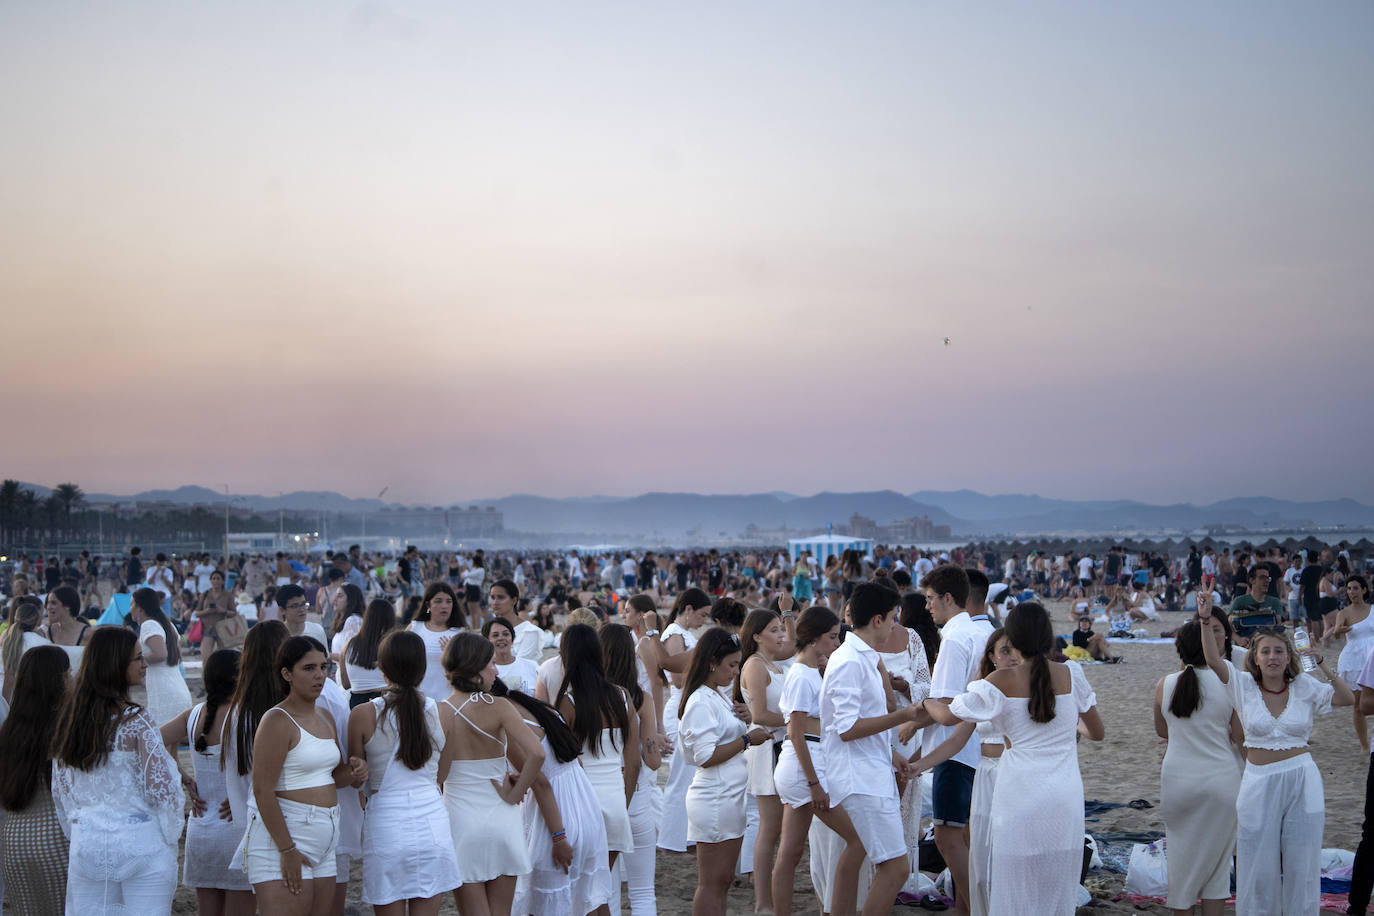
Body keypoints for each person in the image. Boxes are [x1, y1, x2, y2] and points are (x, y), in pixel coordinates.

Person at [924, 602, 1104, 915]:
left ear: (1015, 640)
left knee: (1014, 888)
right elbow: (1096, 732)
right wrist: (1065, 724)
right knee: (1055, 886)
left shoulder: (1000, 681)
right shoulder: (1072, 673)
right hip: (1065, 796)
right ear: (1048, 637)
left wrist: (925, 702)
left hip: (1019, 795)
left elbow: (946, 716)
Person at [1196, 591, 1354, 915]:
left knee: (1303, 860)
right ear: (1255, 657)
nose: (1272, 657)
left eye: (1278, 651)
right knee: (1255, 860)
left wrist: (1321, 661)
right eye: (1265, 651)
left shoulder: (1305, 687)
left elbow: (1347, 699)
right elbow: (1213, 660)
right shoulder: (1241, 685)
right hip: (1257, 781)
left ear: (1288, 656)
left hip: (1302, 779)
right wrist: (1204, 618)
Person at [51, 626, 186, 913]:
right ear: (115, 665)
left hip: (87, 844)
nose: (144, 663)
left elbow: (61, 792)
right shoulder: (137, 721)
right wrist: (169, 835)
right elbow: (163, 790)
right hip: (140, 843)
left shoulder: (70, 720)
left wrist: (81, 829)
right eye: (137, 658)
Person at [234, 636, 367, 916]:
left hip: (326, 836)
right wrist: (287, 849)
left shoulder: (325, 717)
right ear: (287, 674)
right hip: (286, 835)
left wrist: (354, 772)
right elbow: (262, 790)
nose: (320, 675)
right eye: (309, 668)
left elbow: (332, 777)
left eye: (324, 667)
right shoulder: (276, 720)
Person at [822, 582, 927, 916]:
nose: (896, 625)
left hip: (870, 771)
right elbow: (847, 728)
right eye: (893, 618)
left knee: (863, 857)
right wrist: (903, 714)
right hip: (859, 779)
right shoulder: (850, 661)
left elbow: (861, 725)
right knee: (895, 867)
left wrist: (892, 754)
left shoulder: (861, 658)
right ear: (878, 620)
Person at [348, 630, 461, 914]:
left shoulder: (363, 715)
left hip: (386, 824)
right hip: (431, 821)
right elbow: (440, 776)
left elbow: (355, 778)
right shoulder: (445, 713)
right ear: (423, 669)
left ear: (382, 669)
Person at [912, 629, 1020, 916]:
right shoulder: (983, 690)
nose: (1011, 657)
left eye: (1015, 650)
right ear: (992, 657)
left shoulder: (1030, 687)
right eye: (1004, 651)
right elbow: (956, 739)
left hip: (1015, 775)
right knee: (980, 854)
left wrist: (924, 705)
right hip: (984, 775)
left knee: (1008, 852)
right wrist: (919, 766)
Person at [437, 632, 543, 916]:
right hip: (502, 816)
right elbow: (537, 753)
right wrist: (516, 793)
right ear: (474, 668)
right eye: (490, 664)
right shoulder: (499, 706)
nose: (495, 671)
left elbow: (439, 775)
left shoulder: (439, 711)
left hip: (460, 818)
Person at [772, 605, 867, 916]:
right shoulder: (800, 674)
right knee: (856, 840)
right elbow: (796, 734)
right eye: (832, 637)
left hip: (805, 761)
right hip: (804, 765)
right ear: (813, 639)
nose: (837, 643)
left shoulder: (811, 671)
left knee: (791, 850)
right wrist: (814, 784)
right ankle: (835, 908)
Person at [678, 627, 772, 916]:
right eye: (731, 665)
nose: (735, 672)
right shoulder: (700, 701)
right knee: (712, 883)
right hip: (714, 796)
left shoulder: (713, 696)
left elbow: (719, 737)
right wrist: (746, 739)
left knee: (723, 880)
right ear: (711, 663)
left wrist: (743, 720)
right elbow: (706, 755)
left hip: (727, 794)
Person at [1152, 621, 1243, 916]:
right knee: (1217, 870)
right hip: (1220, 781)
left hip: (1178, 780)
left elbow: (1162, 731)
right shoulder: (1229, 684)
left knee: (1181, 865)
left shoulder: (1165, 684)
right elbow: (1239, 735)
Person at [501, 683, 614, 916]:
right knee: (589, 898)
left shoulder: (507, 722)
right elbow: (570, 761)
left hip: (555, 816)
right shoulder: (538, 708)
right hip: (585, 804)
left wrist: (558, 837)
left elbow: (541, 784)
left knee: (546, 902)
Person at [920, 564, 995, 913]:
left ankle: (973, 905)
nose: (927, 606)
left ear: (948, 598)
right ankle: (967, 904)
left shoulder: (954, 636)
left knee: (947, 836)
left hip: (955, 749)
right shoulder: (984, 631)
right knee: (966, 836)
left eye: (931, 599)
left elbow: (948, 706)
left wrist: (919, 706)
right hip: (980, 748)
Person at [162, 648, 252, 913]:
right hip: (236, 826)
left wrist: (182, 776)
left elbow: (153, 739)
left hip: (201, 828)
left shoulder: (193, 715)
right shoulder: (247, 716)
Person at [220, 619, 291, 916]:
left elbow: (239, 775)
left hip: (251, 819)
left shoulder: (238, 711)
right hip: (294, 820)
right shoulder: (290, 708)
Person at [555, 623, 639, 872]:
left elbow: (561, 763)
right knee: (601, 889)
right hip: (614, 800)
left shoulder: (567, 703)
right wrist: (623, 804)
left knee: (580, 894)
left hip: (581, 804)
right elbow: (633, 763)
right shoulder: (622, 696)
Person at [0, 645, 72, 914]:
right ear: (59, 680)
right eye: (68, 673)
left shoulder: (10, 729)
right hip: (55, 838)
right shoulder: (64, 729)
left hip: (13, 840)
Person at [600, 622, 663, 916]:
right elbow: (652, 761)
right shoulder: (640, 698)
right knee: (642, 891)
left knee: (605, 889)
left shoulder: (586, 698)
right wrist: (655, 745)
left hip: (600, 793)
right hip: (635, 795)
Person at [736, 608, 791, 914]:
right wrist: (798, 720)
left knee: (779, 828)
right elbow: (759, 716)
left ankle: (769, 896)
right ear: (756, 636)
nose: (781, 634)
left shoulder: (776, 665)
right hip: (767, 747)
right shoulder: (756, 665)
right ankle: (762, 901)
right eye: (774, 629)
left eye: (781, 628)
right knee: (769, 829)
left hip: (780, 745)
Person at [656, 587, 713, 853]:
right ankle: (671, 839)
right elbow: (677, 677)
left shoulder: (684, 634)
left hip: (687, 704)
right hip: (680, 704)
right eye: (702, 615)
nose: (704, 620)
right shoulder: (674, 634)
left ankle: (685, 836)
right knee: (680, 776)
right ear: (687, 609)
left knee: (688, 775)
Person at [131, 586, 193, 725]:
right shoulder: (167, 624)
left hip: (164, 692)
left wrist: (135, 660)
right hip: (177, 686)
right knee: (172, 743)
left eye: (132, 604)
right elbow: (177, 657)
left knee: (163, 740)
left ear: (140, 608)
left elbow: (160, 654)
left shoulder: (148, 625)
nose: (130, 609)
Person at [1328, 575, 1374, 751]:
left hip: (1372, 658)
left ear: (1363, 590)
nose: (1351, 592)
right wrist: (1339, 630)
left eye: (1355, 588)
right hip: (1353, 661)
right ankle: (1364, 745)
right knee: (1358, 706)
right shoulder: (1344, 612)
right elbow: (1337, 632)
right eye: (1348, 589)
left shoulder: (1372, 609)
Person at [410, 583, 465, 702]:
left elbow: (468, 668)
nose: (444, 606)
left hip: (449, 701)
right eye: (438, 601)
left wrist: (451, 655)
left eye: (448, 601)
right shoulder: (415, 628)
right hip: (418, 699)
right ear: (428, 604)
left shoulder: (460, 633)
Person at [341, 599, 396, 709]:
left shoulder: (349, 645)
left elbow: (346, 684)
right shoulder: (392, 645)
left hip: (357, 702)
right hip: (386, 700)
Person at [0, 599, 48, 704]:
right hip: (33, 700)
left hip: (9, 699)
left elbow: (8, 680)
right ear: (37, 621)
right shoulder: (44, 643)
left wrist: (5, 706)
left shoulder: (7, 640)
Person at [490, 578, 544, 662]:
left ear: (514, 600)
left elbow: (522, 665)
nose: (495, 602)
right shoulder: (490, 629)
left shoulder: (529, 631)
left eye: (501, 597)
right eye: (493, 598)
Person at [484, 617, 539, 695]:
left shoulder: (532, 666)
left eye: (505, 634)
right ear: (487, 640)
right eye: (495, 635)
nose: (501, 638)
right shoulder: (484, 671)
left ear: (512, 639)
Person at [43, 584, 91, 666]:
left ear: (67, 606)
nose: (48, 607)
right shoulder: (50, 631)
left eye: (53, 603)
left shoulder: (87, 633)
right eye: (48, 603)